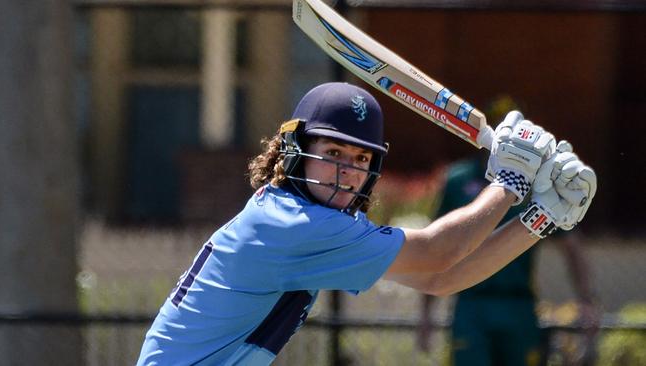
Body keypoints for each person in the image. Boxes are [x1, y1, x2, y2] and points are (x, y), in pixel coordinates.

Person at [136, 82, 597, 366]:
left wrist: (541, 217)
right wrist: (511, 182)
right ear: (293, 150)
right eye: (333, 153)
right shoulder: (294, 225)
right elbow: (438, 251)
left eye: (361, 158)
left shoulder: (301, 216)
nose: (347, 170)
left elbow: (441, 277)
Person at [417, 155, 598, 366]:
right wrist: (426, 311)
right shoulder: (458, 180)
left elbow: (571, 244)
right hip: (471, 303)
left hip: (517, 303)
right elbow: (434, 248)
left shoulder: (537, 184)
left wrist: (586, 299)